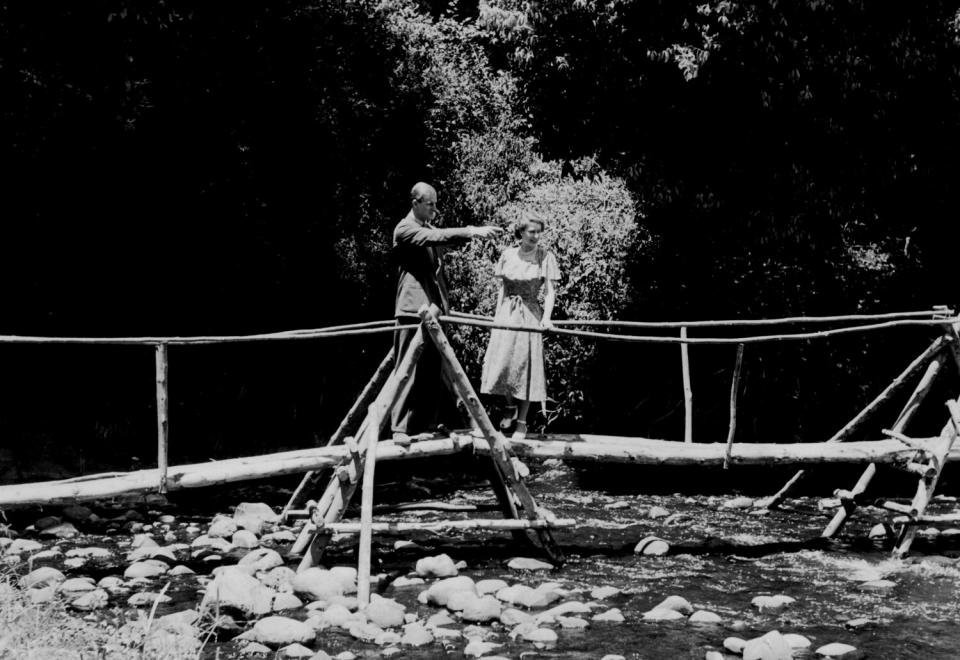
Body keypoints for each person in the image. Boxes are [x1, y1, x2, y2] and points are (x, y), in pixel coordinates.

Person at [391, 182, 502, 441]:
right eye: (430, 204)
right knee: (406, 369)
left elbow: (440, 241)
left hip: (433, 312)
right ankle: (399, 428)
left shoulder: (428, 228)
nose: (435, 209)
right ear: (415, 202)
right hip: (411, 309)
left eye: (435, 203)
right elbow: (438, 237)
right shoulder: (405, 229)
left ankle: (424, 426)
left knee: (431, 370)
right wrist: (472, 231)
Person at [480, 214, 560, 438]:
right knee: (503, 361)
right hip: (507, 312)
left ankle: (522, 422)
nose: (536, 236)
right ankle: (509, 406)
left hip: (530, 314)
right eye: (531, 231)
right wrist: (496, 318)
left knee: (525, 365)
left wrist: (546, 318)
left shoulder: (545, 256)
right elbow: (502, 290)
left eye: (538, 232)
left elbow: (550, 292)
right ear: (521, 233)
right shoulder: (507, 254)